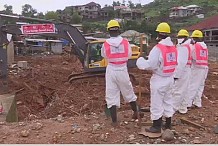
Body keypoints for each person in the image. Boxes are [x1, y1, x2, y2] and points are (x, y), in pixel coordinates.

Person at [136, 22, 177, 133]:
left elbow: (151, 65)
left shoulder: (158, 48)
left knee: (156, 103)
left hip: (159, 79)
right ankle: (168, 124)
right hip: (169, 78)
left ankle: (156, 126)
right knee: (168, 101)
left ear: (159, 34)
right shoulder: (173, 47)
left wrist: (140, 61)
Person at [101, 20, 142, 126]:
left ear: (108, 31)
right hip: (122, 69)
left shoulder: (105, 44)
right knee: (128, 91)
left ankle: (114, 121)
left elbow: (104, 55)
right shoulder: (125, 42)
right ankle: (136, 112)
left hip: (111, 69)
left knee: (111, 94)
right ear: (119, 30)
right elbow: (128, 55)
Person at [172, 29, 192, 114]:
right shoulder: (187, 46)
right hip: (187, 70)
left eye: (181, 37)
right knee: (185, 89)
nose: (179, 39)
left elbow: (181, 63)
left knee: (178, 90)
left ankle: (173, 108)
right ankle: (182, 108)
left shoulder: (183, 47)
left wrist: (176, 75)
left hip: (183, 71)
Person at [187, 30, 208, 108]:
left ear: (194, 38)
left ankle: (188, 103)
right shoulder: (204, 46)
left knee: (193, 85)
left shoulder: (195, 46)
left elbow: (193, 56)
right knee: (200, 85)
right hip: (204, 67)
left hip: (196, 67)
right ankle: (197, 102)